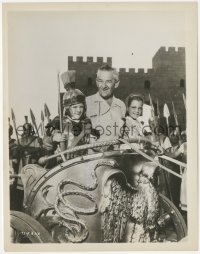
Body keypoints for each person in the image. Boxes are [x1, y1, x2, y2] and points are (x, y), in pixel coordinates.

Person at [86, 64, 126, 142]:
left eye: (108, 81)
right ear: (96, 82)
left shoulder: (121, 105)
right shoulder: (87, 102)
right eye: (100, 81)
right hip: (93, 154)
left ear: (116, 84)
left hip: (117, 153)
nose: (103, 86)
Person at [60, 89, 99, 158]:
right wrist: (54, 137)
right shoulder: (59, 122)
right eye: (75, 107)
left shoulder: (86, 123)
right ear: (67, 108)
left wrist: (103, 147)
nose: (78, 110)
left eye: (81, 107)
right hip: (63, 164)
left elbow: (93, 143)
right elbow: (46, 142)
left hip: (81, 162)